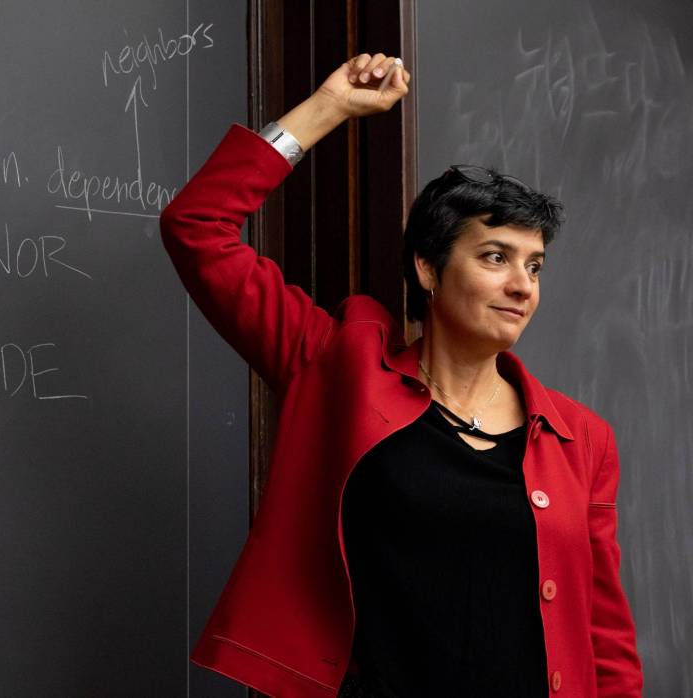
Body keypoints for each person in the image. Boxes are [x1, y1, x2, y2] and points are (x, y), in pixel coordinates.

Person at [159, 52, 643, 697]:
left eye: (535, 266)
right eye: (495, 257)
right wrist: (328, 107)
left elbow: (604, 636)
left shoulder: (580, 439)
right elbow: (196, 227)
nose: (521, 286)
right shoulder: (338, 365)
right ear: (427, 268)